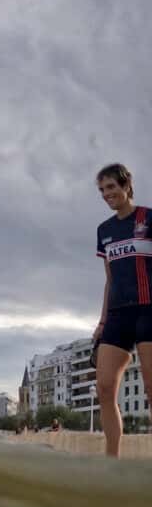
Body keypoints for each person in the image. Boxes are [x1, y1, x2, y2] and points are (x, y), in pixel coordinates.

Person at [92, 163, 152, 457]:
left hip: (149, 310)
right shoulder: (104, 230)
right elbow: (110, 279)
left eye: (111, 187)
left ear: (126, 185)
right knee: (104, 387)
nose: (106, 194)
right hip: (117, 314)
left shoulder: (148, 218)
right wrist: (102, 321)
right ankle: (111, 463)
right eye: (102, 190)